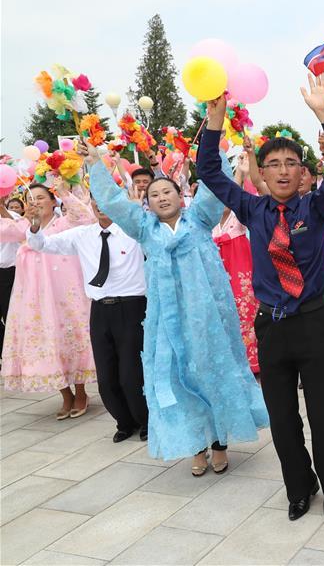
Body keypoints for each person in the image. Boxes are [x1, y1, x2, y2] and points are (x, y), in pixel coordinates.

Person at [196, 75, 324, 522]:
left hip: (316, 324)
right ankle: (299, 488)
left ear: (302, 172)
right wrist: (215, 124)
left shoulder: (315, 207)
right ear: (262, 172)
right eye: (274, 163)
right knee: (283, 422)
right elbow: (207, 172)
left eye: (291, 163)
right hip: (273, 328)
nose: (283, 170)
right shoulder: (252, 209)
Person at [86, 138, 269, 474]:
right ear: (147, 204)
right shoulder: (143, 229)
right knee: (178, 379)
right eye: (153, 195)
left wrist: (210, 148)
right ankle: (196, 446)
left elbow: (216, 186)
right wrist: (96, 163)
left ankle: (220, 444)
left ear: (180, 195)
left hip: (208, 318)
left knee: (212, 374)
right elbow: (111, 201)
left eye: (166, 191)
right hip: (167, 324)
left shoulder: (199, 218)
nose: (161, 197)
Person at [27, 193, 149, 442]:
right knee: (106, 375)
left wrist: (138, 213)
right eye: (96, 201)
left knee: (131, 373)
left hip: (132, 307)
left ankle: (145, 420)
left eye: (107, 200)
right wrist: (35, 227)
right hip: (100, 309)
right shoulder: (82, 234)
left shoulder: (135, 231)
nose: (101, 206)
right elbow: (41, 245)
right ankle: (124, 422)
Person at [0, 183, 96, 416]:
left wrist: (64, 191)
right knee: (45, 341)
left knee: (71, 335)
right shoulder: (23, 227)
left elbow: (86, 216)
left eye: (42, 197)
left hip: (66, 293)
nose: (36, 201)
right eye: (31, 198)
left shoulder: (64, 223)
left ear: (53, 202)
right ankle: (65, 394)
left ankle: (81, 391)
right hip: (35, 301)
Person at [212, 157, 259, 375]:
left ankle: (254, 363)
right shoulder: (207, 223)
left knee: (246, 313)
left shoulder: (238, 216)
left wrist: (242, 173)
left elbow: (241, 192)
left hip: (242, 274)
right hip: (218, 276)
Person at [0, 196, 25, 360]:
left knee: (9, 314)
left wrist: (2, 209)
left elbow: (19, 232)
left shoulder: (13, 216)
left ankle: (14, 354)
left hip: (9, 271)